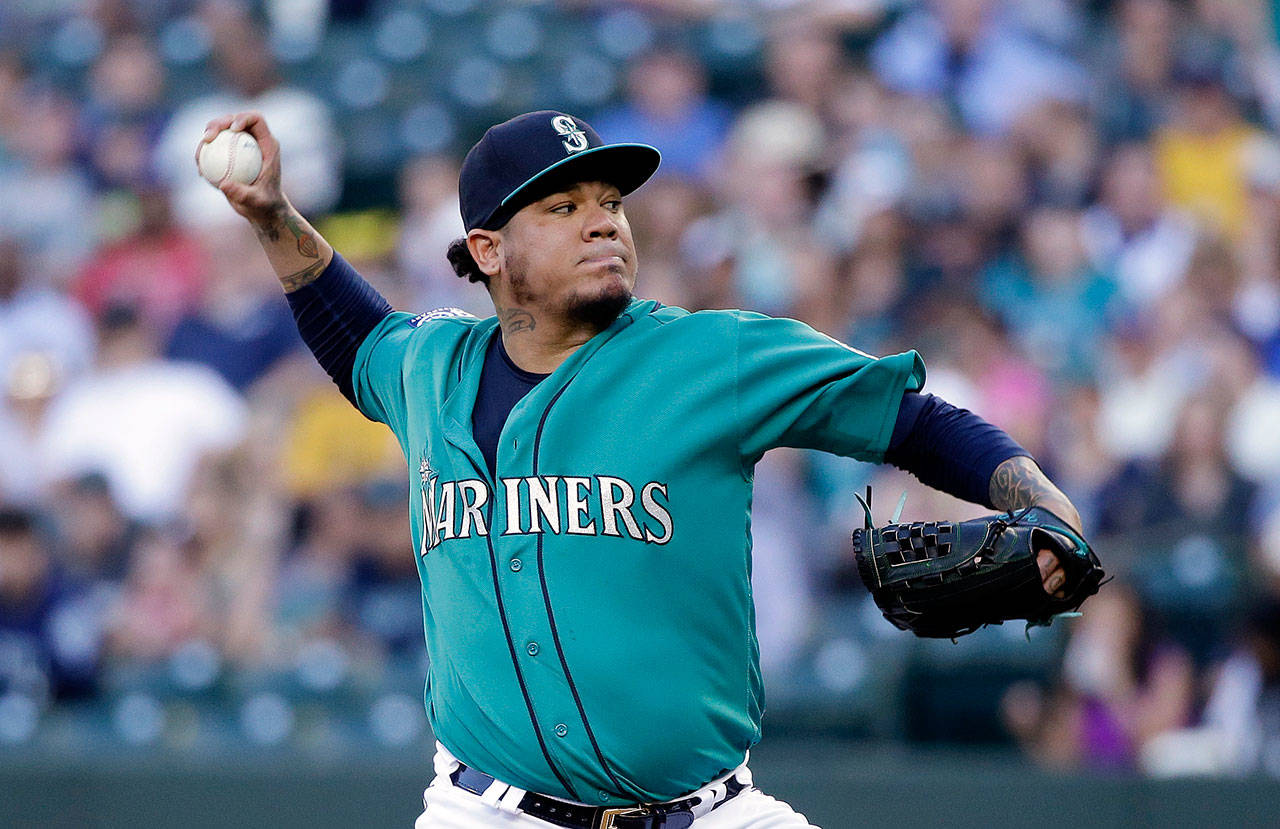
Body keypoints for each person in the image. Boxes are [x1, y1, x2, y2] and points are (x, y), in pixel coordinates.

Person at [200, 109, 1084, 828]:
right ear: (488, 250)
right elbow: (352, 329)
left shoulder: (713, 355)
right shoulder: (431, 368)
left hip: (707, 814)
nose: (603, 221)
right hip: (490, 814)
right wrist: (273, 217)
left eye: (610, 201)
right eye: (561, 206)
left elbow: (915, 422)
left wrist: (1045, 503)